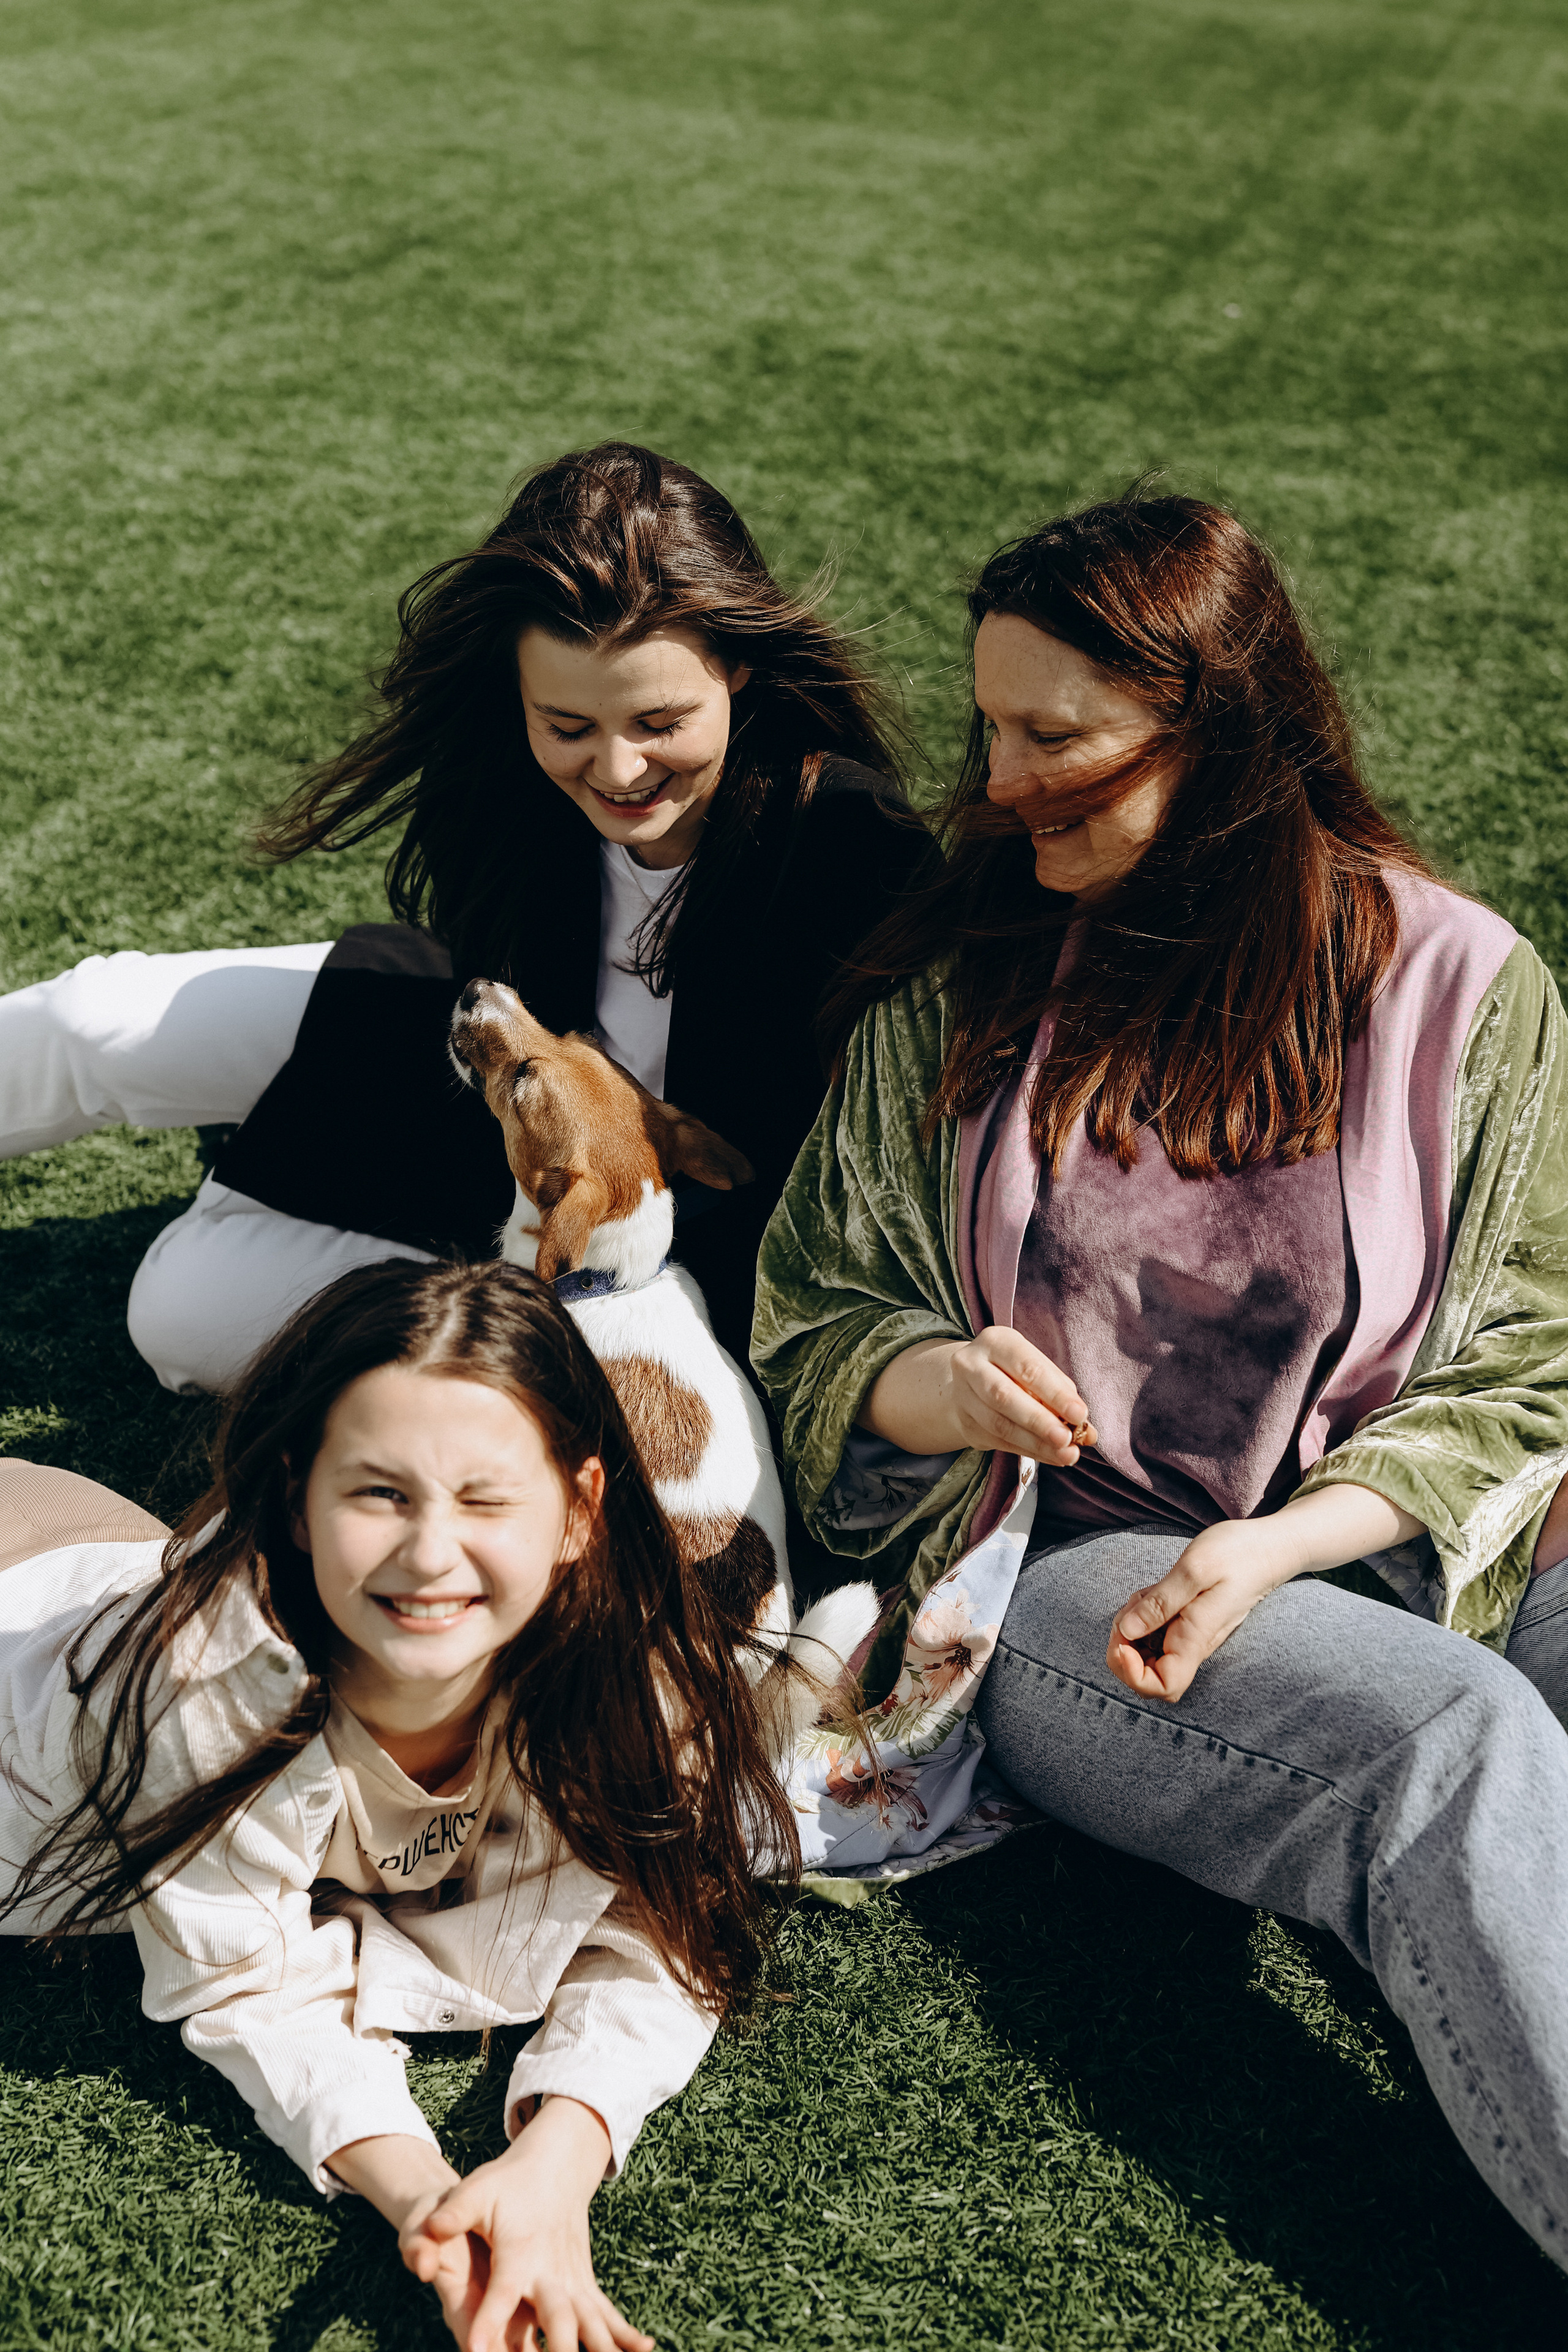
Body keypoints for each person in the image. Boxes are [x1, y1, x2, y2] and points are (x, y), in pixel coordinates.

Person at [752, 492, 1568, 2263]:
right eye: (989, 724)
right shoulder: (961, 987)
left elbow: (1527, 1353)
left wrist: (1291, 1542)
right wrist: (944, 1386)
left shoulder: (1455, 978)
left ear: (1222, 739)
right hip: (1083, 1570)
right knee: (1453, 1741)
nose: (999, 779)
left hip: (1412, 1524)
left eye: (1058, 737)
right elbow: (813, 1315)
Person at [0, 442, 925, 1388]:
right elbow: (482, 970)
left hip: (607, 1206)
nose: (616, 771)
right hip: (477, 1046)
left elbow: (844, 1182)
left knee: (185, 1312)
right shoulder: (496, 779)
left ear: (736, 669)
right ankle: (254, 1145)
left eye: (659, 724)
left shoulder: (849, 842)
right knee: (92, 1020)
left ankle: (272, 1176)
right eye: (567, 727)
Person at [0, 1257, 797, 2352]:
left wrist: (554, 2171)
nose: (431, 1556)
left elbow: (657, 1920)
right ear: (298, 1497)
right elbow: (247, 1986)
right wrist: (424, 2198)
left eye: (485, 1498)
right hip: (36, 1628)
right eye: (380, 1493)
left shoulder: (636, 1675)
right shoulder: (204, 1689)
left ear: (579, 1511)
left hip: (110, 1560)